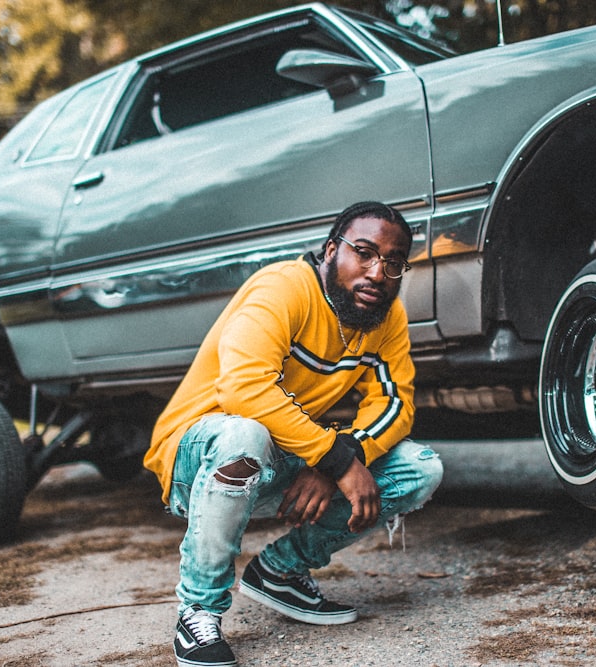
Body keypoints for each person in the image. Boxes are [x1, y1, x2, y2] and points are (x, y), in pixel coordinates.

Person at [144, 201, 444, 667]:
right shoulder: (283, 287)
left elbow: (396, 404)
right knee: (245, 435)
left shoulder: (385, 318)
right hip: (197, 457)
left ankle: (281, 571)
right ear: (330, 250)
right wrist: (337, 460)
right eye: (363, 252)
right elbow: (244, 389)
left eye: (393, 261)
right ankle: (198, 611)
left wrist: (341, 461)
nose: (377, 272)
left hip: (282, 457)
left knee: (419, 468)